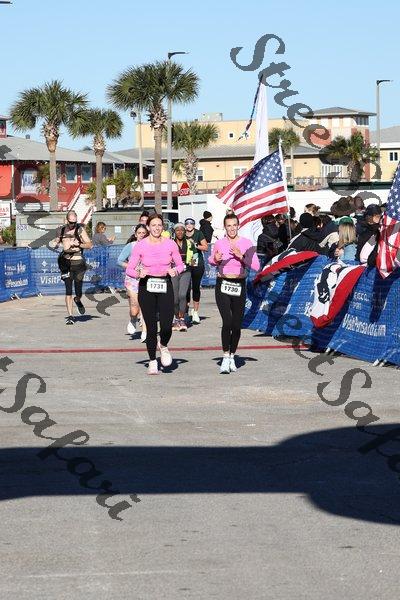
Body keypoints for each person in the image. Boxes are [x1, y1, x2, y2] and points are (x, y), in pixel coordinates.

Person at [126, 213, 185, 375]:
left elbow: (181, 265)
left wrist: (175, 270)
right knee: (151, 327)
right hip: (147, 286)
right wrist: (139, 273)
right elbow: (129, 269)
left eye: (159, 225)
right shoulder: (140, 245)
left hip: (165, 285)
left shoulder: (170, 244)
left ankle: (163, 345)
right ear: (148, 227)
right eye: (153, 225)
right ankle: (152, 360)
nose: (157, 228)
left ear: (163, 227)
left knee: (166, 326)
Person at [209, 213, 260, 374]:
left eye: (234, 225)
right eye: (228, 226)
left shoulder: (246, 243)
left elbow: (256, 265)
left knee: (237, 324)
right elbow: (211, 260)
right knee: (227, 321)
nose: (231, 228)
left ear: (238, 226)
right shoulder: (219, 243)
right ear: (225, 227)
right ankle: (225, 356)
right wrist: (216, 259)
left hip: (239, 284)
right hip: (223, 283)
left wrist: (241, 256)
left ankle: (232, 356)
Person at [53, 210, 92, 325]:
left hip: (78, 263)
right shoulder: (61, 230)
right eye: (71, 222)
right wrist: (56, 243)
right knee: (68, 290)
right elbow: (55, 243)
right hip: (66, 263)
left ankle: (78, 300)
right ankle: (70, 316)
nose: (73, 225)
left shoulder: (80, 230)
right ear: (67, 220)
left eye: (75, 222)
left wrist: (79, 244)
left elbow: (90, 245)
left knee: (78, 291)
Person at [117, 224, 148, 341]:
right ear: (135, 234)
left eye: (144, 233)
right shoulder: (131, 246)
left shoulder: (150, 245)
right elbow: (119, 261)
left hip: (146, 278)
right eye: (139, 233)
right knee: (135, 308)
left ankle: (145, 331)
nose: (141, 235)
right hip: (132, 279)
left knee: (145, 306)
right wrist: (131, 267)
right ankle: (133, 319)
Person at [171, 223, 195, 332]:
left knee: (182, 295)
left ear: (185, 231)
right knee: (175, 298)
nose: (180, 232)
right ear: (174, 232)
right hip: (174, 271)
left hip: (186, 271)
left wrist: (193, 262)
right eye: (177, 230)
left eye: (182, 230)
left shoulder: (190, 243)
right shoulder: (170, 243)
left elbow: (195, 255)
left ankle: (182, 319)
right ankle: (176, 318)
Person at [184, 217, 208, 324]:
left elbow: (205, 247)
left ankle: (195, 312)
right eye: (187, 224)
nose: (189, 225)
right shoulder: (182, 233)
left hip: (197, 262)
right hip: (186, 262)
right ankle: (185, 312)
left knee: (196, 287)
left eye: (191, 224)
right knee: (185, 288)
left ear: (194, 225)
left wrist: (195, 245)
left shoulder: (198, 233)